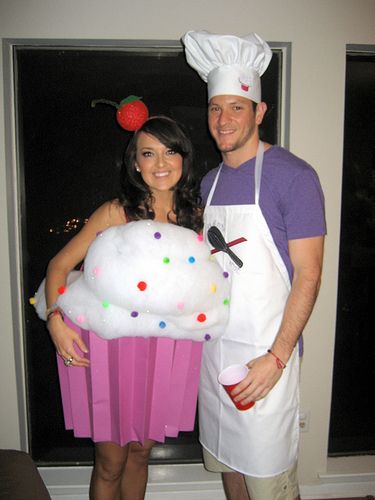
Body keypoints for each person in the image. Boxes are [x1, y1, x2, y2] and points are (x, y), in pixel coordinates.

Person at [183, 31, 326, 500]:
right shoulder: (208, 183)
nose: (223, 120)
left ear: (259, 112)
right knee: (231, 472)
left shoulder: (296, 177)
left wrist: (277, 358)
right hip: (215, 356)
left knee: (269, 483)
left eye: (236, 107)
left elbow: (309, 275)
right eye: (215, 108)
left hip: (267, 357)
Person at [42, 116, 209, 500]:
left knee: (140, 455)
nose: (161, 163)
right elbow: (59, 266)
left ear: (184, 159)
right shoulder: (117, 212)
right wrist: (55, 322)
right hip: (110, 349)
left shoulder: (195, 218)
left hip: (164, 352)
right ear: (135, 163)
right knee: (110, 461)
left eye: (170, 151)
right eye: (148, 153)